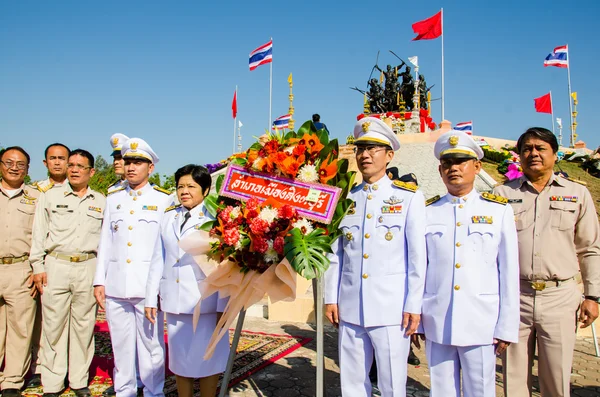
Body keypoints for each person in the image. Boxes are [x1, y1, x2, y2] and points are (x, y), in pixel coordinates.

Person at [324, 117, 426, 397]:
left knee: (393, 384)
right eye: (360, 149)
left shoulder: (408, 197)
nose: (364, 155)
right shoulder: (346, 198)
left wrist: (413, 304)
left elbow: (418, 256)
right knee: (353, 383)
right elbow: (336, 253)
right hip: (350, 305)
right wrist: (330, 297)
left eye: (373, 148)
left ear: (389, 155)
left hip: (392, 310)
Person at [494, 127, 600, 397]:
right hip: (515, 296)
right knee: (514, 379)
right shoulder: (501, 194)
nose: (533, 154)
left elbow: (590, 249)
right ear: (519, 155)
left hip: (560, 296)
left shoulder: (577, 194)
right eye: (527, 149)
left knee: (556, 377)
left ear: (555, 155)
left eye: (541, 149)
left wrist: (593, 296)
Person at [417, 130, 519, 396]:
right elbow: (419, 268)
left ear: (477, 166)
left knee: (480, 389)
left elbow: (508, 271)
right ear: (440, 170)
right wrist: (418, 320)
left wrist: (506, 325)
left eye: (461, 161)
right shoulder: (427, 212)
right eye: (448, 164)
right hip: (437, 318)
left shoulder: (498, 210)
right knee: (441, 389)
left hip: (481, 321)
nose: (454, 168)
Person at [93, 138, 171, 397]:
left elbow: (165, 246)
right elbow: (105, 241)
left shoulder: (163, 199)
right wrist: (99, 281)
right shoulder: (113, 198)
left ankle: (153, 392)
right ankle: (124, 391)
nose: (131, 167)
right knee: (121, 346)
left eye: (138, 162)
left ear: (150, 168)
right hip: (116, 284)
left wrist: (161, 286)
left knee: (151, 346)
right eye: (128, 162)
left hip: (147, 287)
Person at [145, 164, 229, 397]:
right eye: (180, 186)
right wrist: (151, 297)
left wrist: (225, 306)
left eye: (191, 186)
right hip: (174, 301)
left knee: (208, 360)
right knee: (180, 361)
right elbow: (157, 258)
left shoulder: (218, 218)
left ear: (206, 189)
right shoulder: (169, 217)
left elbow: (228, 266)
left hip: (206, 304)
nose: (184, 191)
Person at [30, 149, 106, 397]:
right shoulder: (49, 197)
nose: (73, 169)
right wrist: (38, 266)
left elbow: (106, 242)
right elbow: (39, 235)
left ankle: (78, 381)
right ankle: (52, 383)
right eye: (70, 165)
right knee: (53, 327)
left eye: (80, 166)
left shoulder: (101, 201)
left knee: (84, 327)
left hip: (87, 265)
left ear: (91, 172)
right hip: (56, 265)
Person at [27, 143, 71, 389]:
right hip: (41, 262)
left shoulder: (78, 189)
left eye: (61, 158)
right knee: (41, 322)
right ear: (45, 163)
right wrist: (36, 265)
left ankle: (65, 369)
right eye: (52, 159)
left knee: (65, 321)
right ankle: (40, 366)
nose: (57, 163)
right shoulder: (34, 192)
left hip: (68, 264)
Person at [0, 147, 40, 397]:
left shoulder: (36, 197)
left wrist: (37, 269)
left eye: (21, 164)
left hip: (21, 268)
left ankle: (12, 380)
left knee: (20, 327)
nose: (14, 167)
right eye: (9, 162)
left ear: (27, 169)